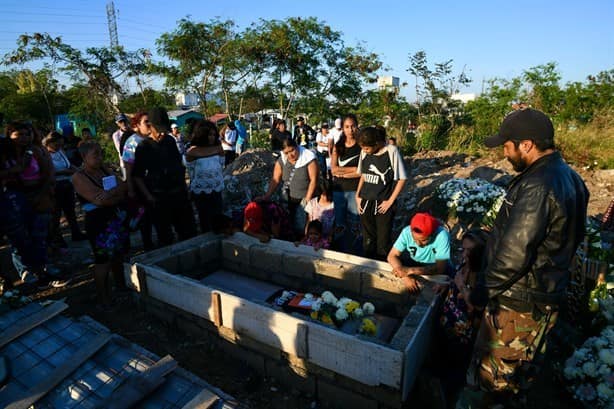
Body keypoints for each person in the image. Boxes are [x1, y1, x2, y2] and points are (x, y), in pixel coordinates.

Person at [463, 108, 589, 405]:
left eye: (507, 146)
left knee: (495, 381)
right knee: (519, 376)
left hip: (517, 306)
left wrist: (479, 294)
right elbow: (573, 239)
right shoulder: (570, 178)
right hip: (542, 295)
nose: (505, 155)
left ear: (527, 145)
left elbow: (514, 255)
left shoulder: (538, 184)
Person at [433, 229, 489, 406]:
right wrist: (448, 285)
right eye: (463, 249)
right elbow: (456, 281)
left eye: (469, 251)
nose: (464, 254)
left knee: (454, 372)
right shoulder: (465, 265)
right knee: (441, 363)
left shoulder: (482, 276)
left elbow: (477, 305)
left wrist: (460, 286)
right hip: (447, 324)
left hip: (463, 336)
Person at [72, 141, 128, 310]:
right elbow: (97, 200)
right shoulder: (79, 177)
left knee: (119, 255)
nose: (100, 158)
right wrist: (113, 195)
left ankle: (120, 287)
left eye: (100, 154)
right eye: (95, 155)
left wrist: (109, 195)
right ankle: (103, 297)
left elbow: (123, 187)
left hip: (115, 218)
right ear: (84, 157)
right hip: (98, 223)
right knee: (103, 260)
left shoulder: (104, 170)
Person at [133, 107, 197, 247]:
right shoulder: (143, 147)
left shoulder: (169, 141)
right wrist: (149, 197)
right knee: (165, 237)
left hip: (178, 193)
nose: (162, 133)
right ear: (150, 126)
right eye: (159, 130)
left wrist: (184, 188)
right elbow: (137, 176)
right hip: (159, 197)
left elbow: (178, 165)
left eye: (164, 130)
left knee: (189, 232)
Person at [356, 126, 407, 260]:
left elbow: (402, 178)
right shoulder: (364, 152)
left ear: (377, 143)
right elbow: (363, 175)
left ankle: (381, 268)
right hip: (366, 201)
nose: (364, 151)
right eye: (362, 148)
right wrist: (357, 195)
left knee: (383, 242)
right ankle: (367, 270)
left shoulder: (391, 151)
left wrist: (390, 201)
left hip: (384, 203)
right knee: (368, 240)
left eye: (367, 148)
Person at [258, 138, 318, 238]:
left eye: (292, 150)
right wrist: (266, 196)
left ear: (297, 147)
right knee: (287, 228)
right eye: (287, 152)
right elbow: (275, 179)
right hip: (288, 200)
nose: (290, 155)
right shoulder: (282, 160)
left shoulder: (308, 158)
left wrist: (307, 200)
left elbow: (314, 180)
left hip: (305, 200)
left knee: (302, 229)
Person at [42, 132, 86, 252]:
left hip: (67, 184)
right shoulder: (45, 154)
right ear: (49, 143)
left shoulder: (60, 151)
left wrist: (77, 171)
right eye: (56, 144)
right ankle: (57, 239)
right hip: (55, 186)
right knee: (56, 214)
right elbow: (48, 172)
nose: (58, 147)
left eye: (60, 144)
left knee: (70, 211)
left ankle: (76, 233)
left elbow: (68, 164)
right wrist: (64, 172)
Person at [387, 212, 451, 291]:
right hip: (415, 262)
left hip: (436, 267)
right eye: (415, 239)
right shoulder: (406, 232)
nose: (418, 243)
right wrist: (405, 276)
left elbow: (440, 268)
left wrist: (410, 271)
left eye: (423, 240)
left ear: (432, 234)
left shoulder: (442, 236)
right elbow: (392, 255)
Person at [185, 120, 225, 234]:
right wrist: (217, 149)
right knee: (205, 221)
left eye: (213, 135)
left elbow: (222, 162)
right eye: (209, 135)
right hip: (201, 191)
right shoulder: (192, 151)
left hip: (216, 188)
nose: (212, 137)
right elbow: (194, 153)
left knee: (218, 218)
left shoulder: (217, 148)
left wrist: (217, 149)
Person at [330, 114, 362, 255]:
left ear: (357, 126)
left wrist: (343, 172)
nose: (350, 130)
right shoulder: (338, 147)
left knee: (355, 223)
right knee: (340, 223)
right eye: (347, 127)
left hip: (355, 190)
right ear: (343, 129)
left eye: (353, 126)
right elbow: (333, 169)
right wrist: (353, 171)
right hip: (339, 191)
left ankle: (356, 252)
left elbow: (362, 171)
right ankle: (340, 252)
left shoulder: (362, 147)